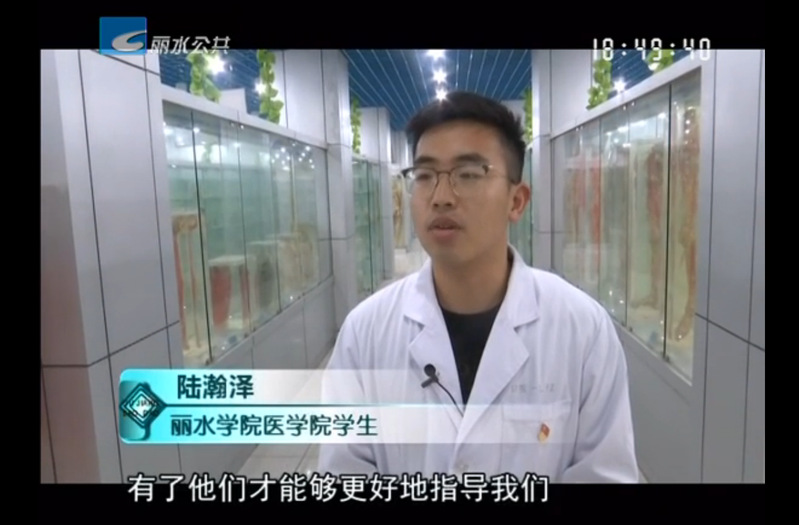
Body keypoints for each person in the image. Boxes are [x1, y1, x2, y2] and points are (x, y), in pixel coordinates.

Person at [317, 91, 638, 483]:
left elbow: (604, 473)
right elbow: (344, 473)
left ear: (516, 201)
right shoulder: (364, 332)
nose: (441, 197)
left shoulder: (583, 330)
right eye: (424, 176)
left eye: (468, 174)